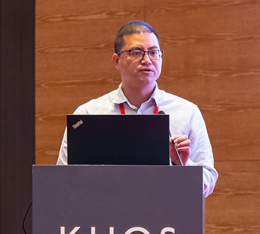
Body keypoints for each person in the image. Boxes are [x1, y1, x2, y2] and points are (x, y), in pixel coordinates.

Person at [56, 20, 218, 197]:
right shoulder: (87, 116)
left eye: (154, 52)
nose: (147, 60)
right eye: (136, 53)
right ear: (117, 60)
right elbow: (62, 181)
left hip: (165, 213)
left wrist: (182, 164)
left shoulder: (187, 112)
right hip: (105, 211)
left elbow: (207, 184)